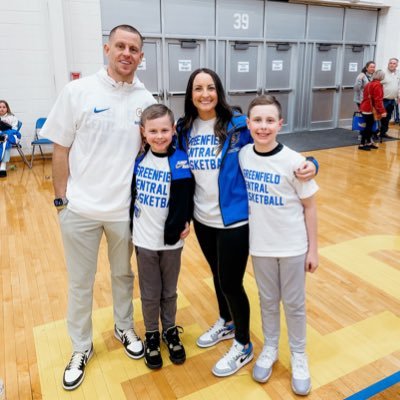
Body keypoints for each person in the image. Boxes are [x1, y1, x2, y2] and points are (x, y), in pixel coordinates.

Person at [176, 68, 318, 377]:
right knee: (217, 275)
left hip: (235, 221)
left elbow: (273, 147)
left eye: (210, 87)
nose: (204, 94)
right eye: (198, 88)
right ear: (190, 94)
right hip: (203, 218)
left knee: (230, 281)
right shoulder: (184, 128)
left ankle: (243, 344)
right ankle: (227, 323)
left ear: (219, 91)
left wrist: (312, 164)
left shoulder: (238, 125)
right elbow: (180, 168)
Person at [40, 24, 156, 391]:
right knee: (80, 283)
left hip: (123, 211)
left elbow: (151, 149)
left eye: (133, 48)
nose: (126, 53)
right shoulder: (78, 91)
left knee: (124, 277)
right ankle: (80, 347)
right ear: (107, 49)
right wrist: (61, 200)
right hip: (81, 210)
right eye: (120, 46)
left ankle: (124, 327)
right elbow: (60, 147)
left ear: (141, 56)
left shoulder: (145, 98)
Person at [239, 95, 319, 396]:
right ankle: (270, 347)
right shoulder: (244, 154)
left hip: (293, 247)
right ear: (248, 124)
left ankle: (299, 355)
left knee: (295, 305)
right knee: (268, 301)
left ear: (280, 124)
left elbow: (310, 207)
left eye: (269, 120)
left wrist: (313, 249)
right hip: (260, 246)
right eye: (257, 120)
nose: (263, 126)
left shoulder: (296, 162)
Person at [131, 104, 193, 369]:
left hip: (171, 242)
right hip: (144, 241)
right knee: (149, 292)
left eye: (164, 130)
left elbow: (187, 196)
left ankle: (169, 330)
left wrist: (186, 220)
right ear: (144, 132)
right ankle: (152, 335)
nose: (159, 136)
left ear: (173, 130)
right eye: (153, 131)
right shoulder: (138, 160)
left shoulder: (180, 160)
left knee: (169, 291)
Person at [359, 70, 387, 151]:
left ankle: (368, 143)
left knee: (369, 126)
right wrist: (382, 111)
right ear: (382, 76)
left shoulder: (369, 84)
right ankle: (362, 144)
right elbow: (378, 100)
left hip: (365, 107)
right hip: (370, 109)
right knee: (368, 127)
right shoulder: (378, 85)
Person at [380, 58, 400, 139]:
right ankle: (375, 133)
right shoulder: (382, 73)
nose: (392, 65)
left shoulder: (398, 73)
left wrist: (399, 96)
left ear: (397, 65)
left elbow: (398, 86)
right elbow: (377, 85)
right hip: (383, 100)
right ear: (388, 64)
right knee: (380, 117)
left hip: (392, 100)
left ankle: (383, 133)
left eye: (394, 63)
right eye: (390, 63)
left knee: (388, 117)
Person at [0, 100, 20, 178]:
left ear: (7, 108)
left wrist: (7, 129)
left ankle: (3, 166)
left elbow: (15, 130)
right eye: (0, 107)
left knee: (6, 141)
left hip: (9, 135)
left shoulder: (12, 117)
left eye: (4, 107)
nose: (1, 109)